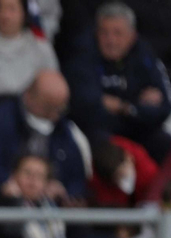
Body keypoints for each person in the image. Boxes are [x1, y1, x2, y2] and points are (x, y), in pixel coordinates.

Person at [65, 2, 171, 161]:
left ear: (132, 36)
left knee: (164, 144)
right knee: (108, 150)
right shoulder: (82, 54)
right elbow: (86, 108)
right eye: (104, 33)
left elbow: (163, 108)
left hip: (138, 129)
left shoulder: (144, 55)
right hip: (99, 134)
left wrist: (124, 108)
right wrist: (137, 106)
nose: (111, 40)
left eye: (117, 33)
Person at [0, 70, 90, 202]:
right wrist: (3, 182)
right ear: (29, 96)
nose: (54, 115)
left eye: (60, 109)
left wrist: (64, 190)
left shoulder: (62, 129)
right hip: (2, 202)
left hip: (50, 206)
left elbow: (77, 176)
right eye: (48, 107)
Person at [0, 0, 58, 121]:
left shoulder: (41, 48)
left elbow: (54, 88)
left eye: (12, 9)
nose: (5, 15)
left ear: (24, 13)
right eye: (0, 8)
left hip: (34, 116)